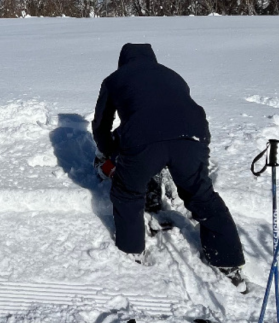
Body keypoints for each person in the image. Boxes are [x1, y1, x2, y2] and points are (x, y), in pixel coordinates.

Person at [92, 43, 246, 288]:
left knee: (127, 191)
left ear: (122, 61)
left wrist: (111, 152)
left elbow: (101, 124)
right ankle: (227, 259)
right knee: (201, 194)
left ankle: (132, 249)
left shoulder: (114, 79)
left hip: (143, 139)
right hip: (193, 135)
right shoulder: (172, 74)